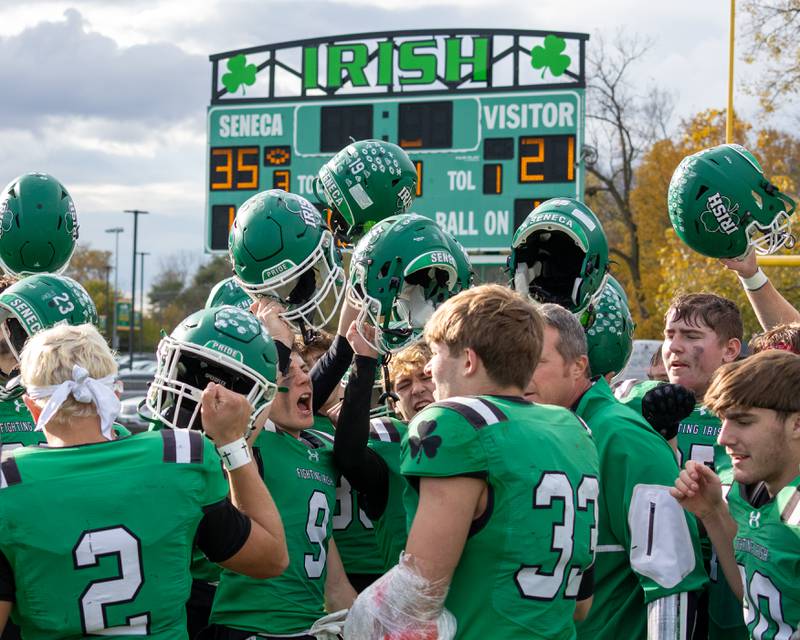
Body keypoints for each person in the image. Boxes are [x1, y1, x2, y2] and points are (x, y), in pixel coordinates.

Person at [0, 323, 288, 637]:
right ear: (114, 392)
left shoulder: (9, 485)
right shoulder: (177, 458)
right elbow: (271, 559)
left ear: (31, 406)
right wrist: (234, 444)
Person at [346, 284, 600, 639]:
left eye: (436, 354)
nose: (431, 369)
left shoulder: (459, 422)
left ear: (468, 360)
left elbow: (418, 591)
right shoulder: (573, 428)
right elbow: (580, 604)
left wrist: (363, 620)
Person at [526, 304, 707, 640]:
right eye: (514, 360)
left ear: (578, 365)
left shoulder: (622, 437)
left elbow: (672, 579)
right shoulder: (534, 430)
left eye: (536, 361)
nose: (520, 374)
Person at [206, 299, 356, 639]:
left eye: (307, 370)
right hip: (248, 627)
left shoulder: (317, 448)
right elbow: (236, 436)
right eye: (290, 371)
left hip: (305, 629)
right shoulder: (255, 441)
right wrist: (274, 345)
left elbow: (334, 584)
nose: (306, 379)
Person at [146, 304, 282, 637]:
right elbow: (272, 559)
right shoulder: (201, 471)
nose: (207, 394)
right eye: (199, 376)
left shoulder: (125, 449)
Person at [617, 292, 747, 638]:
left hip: (734, 588)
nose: (673, 347)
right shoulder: (631, 402)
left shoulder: (751, 414)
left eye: (690, 337)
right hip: (650, 593)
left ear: (730, 350)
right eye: (669, 334)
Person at [671, 350, 800, 639]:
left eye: (743, 422)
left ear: (797, 423)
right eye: (723, 421)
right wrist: (712, 512)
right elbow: (753, 595)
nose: (723, 438)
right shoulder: (751, 491)